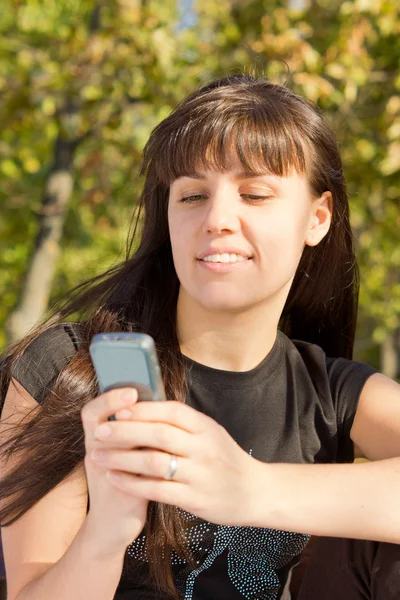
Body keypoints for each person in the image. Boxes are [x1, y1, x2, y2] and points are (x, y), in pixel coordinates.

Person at [0, 73, 399, 600]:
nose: (217, 219)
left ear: (317, 218)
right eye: (192, 195)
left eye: (255, 193)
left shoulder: (334, 392)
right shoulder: (70, 369)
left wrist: (249, 488)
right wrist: (106, 534)